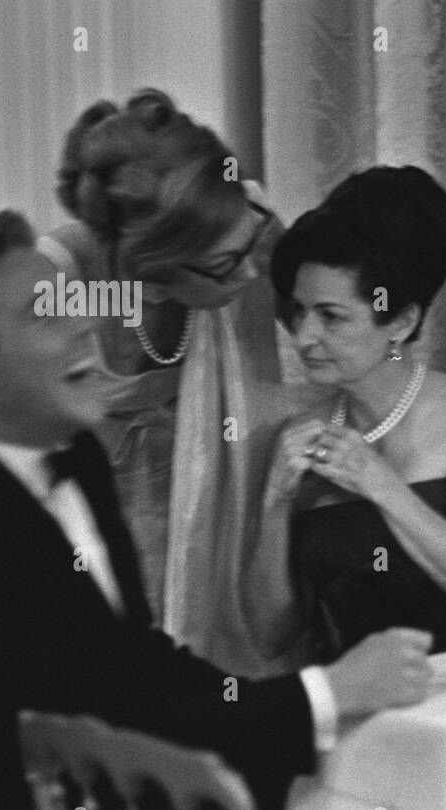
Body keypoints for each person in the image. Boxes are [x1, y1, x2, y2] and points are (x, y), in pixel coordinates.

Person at [0, 211, 433, 810]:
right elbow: (102, 714)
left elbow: (133, 662)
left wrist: (302, 696)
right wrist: (324, 694)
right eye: (43, 312)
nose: (85, 322)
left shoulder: (75, 455)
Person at [41, 88, 293, 676]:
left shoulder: (242, 217)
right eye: (228, 266)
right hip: (96, 512)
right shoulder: (57, 283)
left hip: (210, 486)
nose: (252, 271)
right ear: (154, 266)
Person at [243, 166, 446, 664]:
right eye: (297, 311)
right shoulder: (298, 436)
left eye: (331, 316)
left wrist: (380, 483)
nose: (304, 336)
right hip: (360, 711)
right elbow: (270, 635)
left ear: (401, 321)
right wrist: (274, 500)